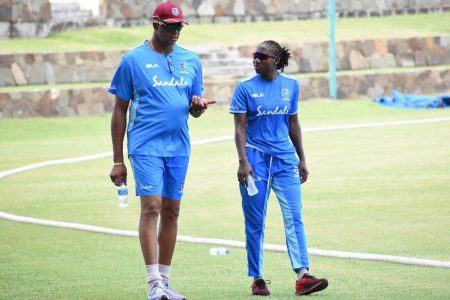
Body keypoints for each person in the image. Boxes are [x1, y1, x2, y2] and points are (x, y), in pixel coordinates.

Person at [108, 2, 215, 300]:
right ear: (155, 24)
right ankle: (153, 282)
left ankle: (166, 282)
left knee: (172, 210)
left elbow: (192, 107)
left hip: (179, 147)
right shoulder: (132, 60)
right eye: (170, 26)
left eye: (179, 26)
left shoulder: (191, 61)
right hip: (145, 147)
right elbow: (119, 111)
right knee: (152, 207)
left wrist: (197, 108)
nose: (176, 32)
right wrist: (118, 160)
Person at [229, 40, 328, 297]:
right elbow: (239, 127)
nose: (256, 59)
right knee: (255, 220)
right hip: (255, 160)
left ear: (275, 60)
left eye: (261, 56)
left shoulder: (290, 86)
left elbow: (293, 123)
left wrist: (302, 158)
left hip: (285, 161)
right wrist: (243, 161)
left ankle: (302, 276)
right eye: (254, 55)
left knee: (294, 217)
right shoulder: (244, 88)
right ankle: (257, 278)